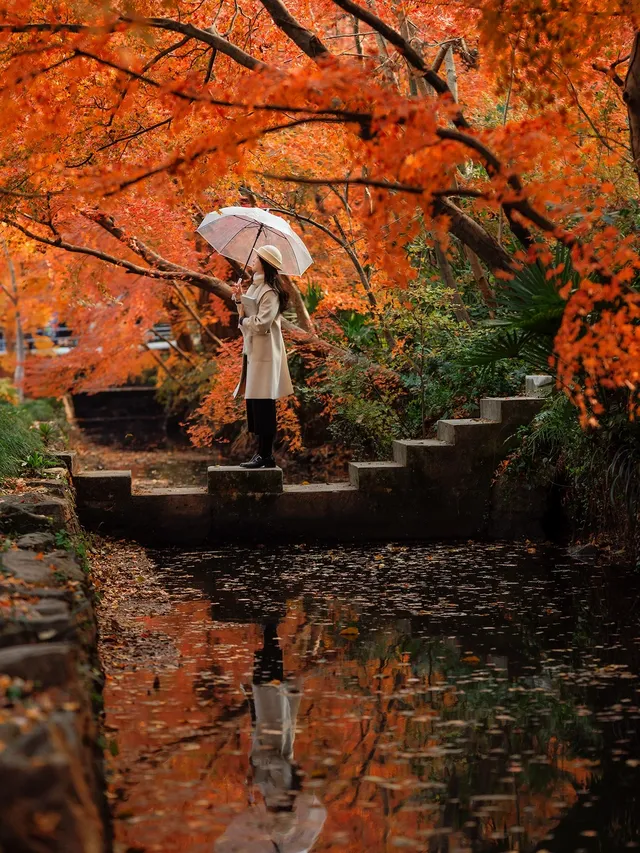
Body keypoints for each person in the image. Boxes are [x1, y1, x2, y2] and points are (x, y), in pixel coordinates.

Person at [232, 245, 294, 469]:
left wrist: (243, 322)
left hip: (266, 353)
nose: (253, 260)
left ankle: (266, 455)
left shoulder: (269, 291)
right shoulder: (255, 288)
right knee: (255, 403)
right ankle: (260, 453)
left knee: (264, 402)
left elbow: (262, 323)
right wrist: (239, 299)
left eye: (257, 258)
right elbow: (247, 314)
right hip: (254, 352)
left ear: (265, 264)